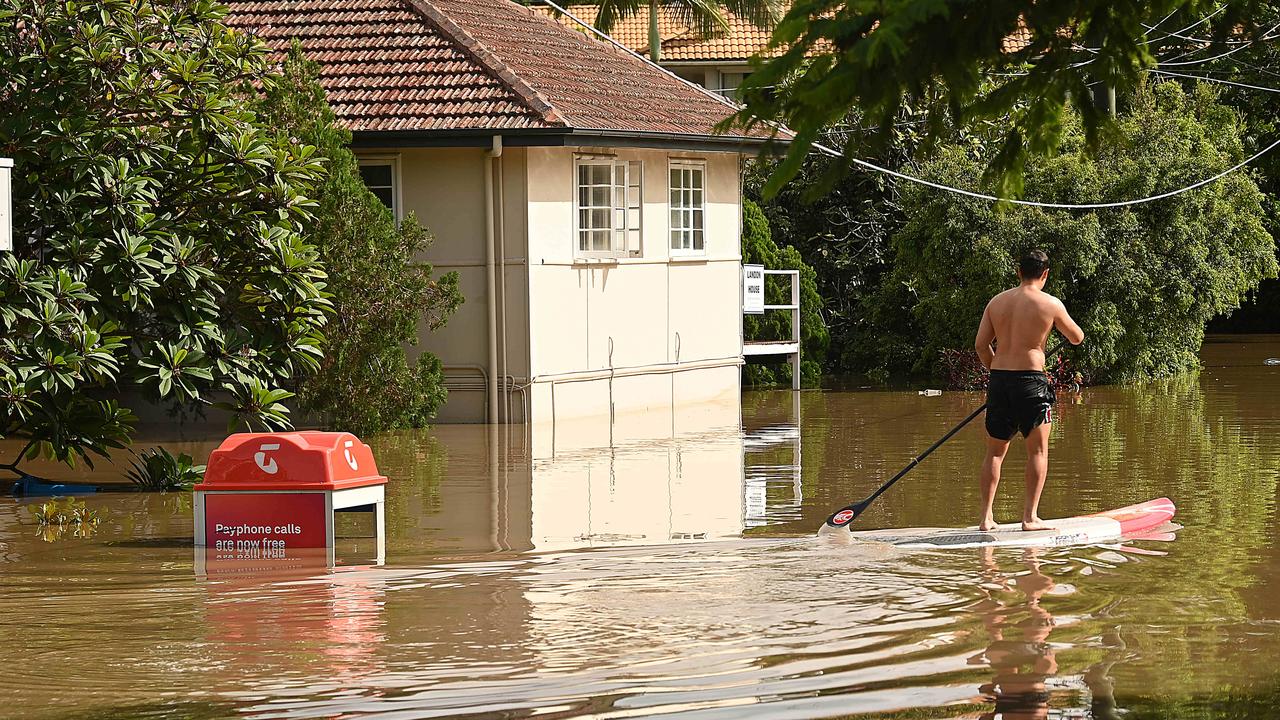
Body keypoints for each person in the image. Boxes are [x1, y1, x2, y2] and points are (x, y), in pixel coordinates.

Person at [974, 250, 1084, 531]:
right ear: (1045, 274)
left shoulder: (996, 302)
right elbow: (1076, 337)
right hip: (1031, 382)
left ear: (1018, 271)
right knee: (1037, 451)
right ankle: (1030, 518)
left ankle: (986, 518)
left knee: (995, 452)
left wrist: (995, 371)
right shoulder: (1051, 303)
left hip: (999, 381)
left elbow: (980, 345)